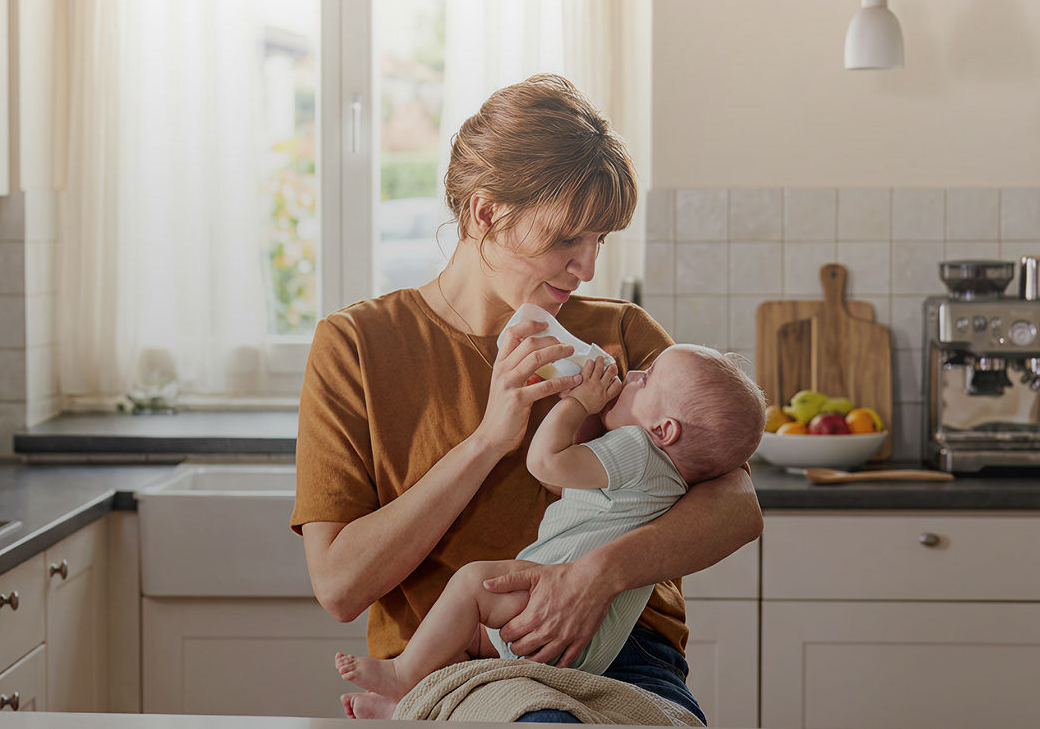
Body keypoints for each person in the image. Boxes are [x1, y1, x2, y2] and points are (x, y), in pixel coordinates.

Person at [291, 73, 763, 725]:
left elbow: (738, 506)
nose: (587, 266)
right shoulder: (356, 346)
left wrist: (596, 575)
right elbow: (341, 586)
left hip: (628, 656)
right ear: (485, 212)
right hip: (453, 659)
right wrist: (490, 437)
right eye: (567, 237)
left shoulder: (626, 337)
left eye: (599, 239)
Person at [332, 344, 766, 716]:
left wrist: (578, 404)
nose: (633, 373)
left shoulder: (637, 448)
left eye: (646, 379)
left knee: (471, 584)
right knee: (471, 645)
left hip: (546, 611)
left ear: (664, 430)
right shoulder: (673, 479)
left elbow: (545, 464)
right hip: (597, 643)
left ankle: (403, 676)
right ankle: (405, 708)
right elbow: (568, 486)